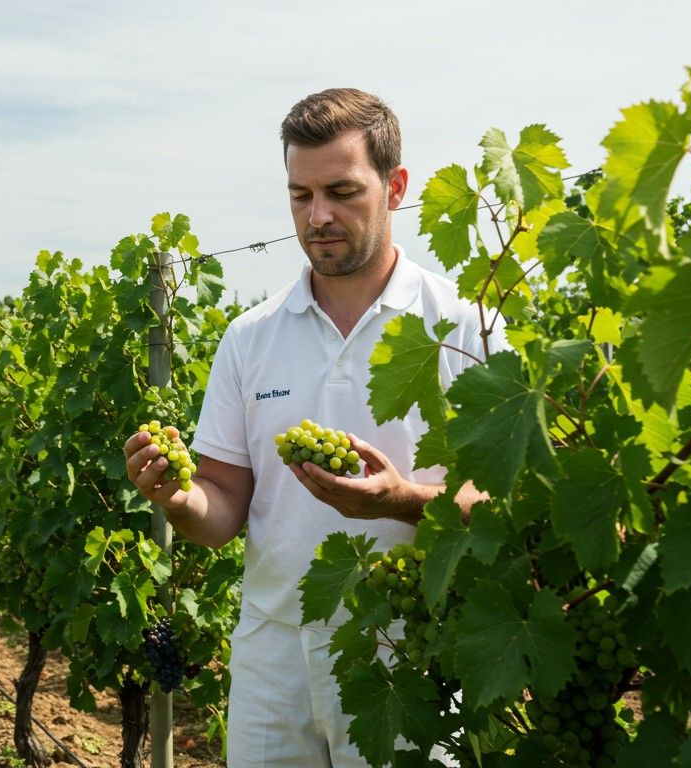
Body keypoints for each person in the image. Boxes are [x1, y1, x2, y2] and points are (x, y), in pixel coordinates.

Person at [123, 88, 494, 767]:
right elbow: (222, 511)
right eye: (300, 195)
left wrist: (401, 500)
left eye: (342, 192)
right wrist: (178, 499)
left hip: (411, 650)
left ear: (395, 187)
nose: (318, 215)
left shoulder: (462, 325)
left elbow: (501, 502)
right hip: (274, 659)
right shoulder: (251, 337)